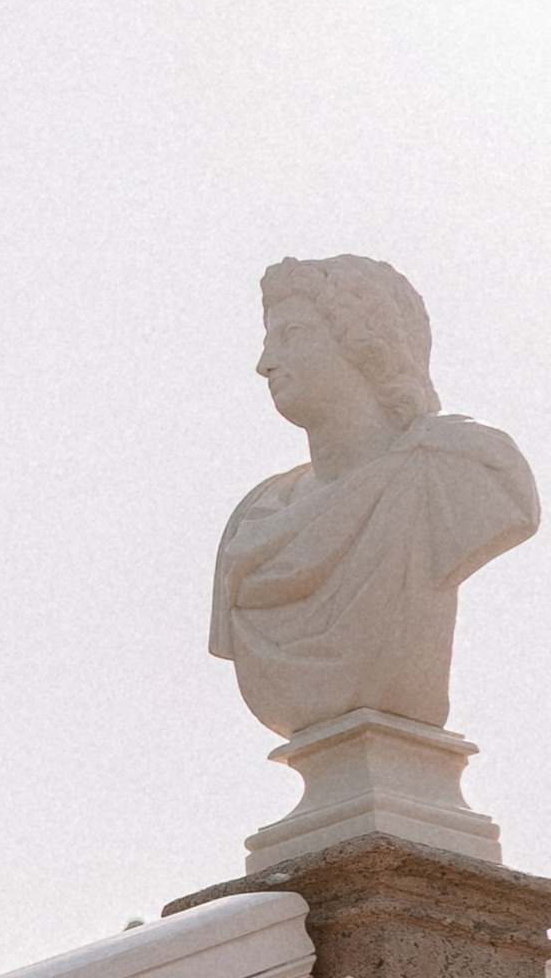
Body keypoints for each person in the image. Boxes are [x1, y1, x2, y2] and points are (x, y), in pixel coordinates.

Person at [212, 254, 538, 741]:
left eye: (292, 336)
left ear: (366, 345)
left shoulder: (458, 467)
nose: (265, 363)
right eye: (267, 341)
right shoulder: (254, 519)